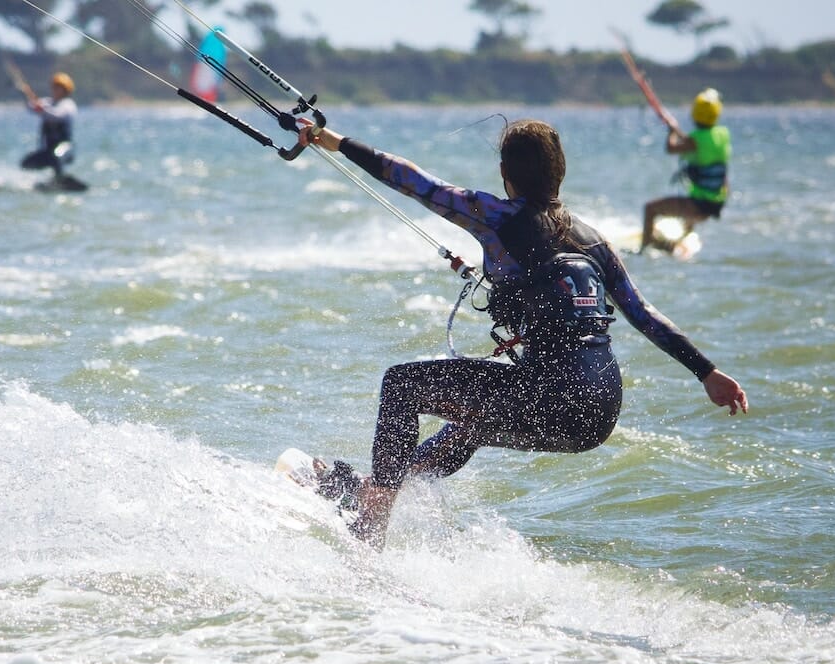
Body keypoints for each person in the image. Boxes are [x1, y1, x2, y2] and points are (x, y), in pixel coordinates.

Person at [297, 117, 748, 549]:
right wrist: (707, 373)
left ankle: (372, 516)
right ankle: (383, 487)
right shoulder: (594, 240)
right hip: (597, 414)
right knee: (469, 423)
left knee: (401, 386)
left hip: (546, 395)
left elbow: (412, 180)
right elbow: (643, 314)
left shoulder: (496, 215)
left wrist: (330, 139)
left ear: (504, 174)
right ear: (560, 174)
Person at [641, 88, 730, 252]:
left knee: (650, 209)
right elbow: (698, 143)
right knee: (688, 217)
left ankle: (643, 250)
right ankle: (671, 246)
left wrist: (671, 131)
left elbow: (671, 148)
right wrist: (676, 130)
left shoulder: (695, 139)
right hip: (717, 203)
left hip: (699, 205)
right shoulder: (723, 135)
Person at [18, 71, 82, 190]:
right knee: (26, 163)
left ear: (65, 90)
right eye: (55, 87)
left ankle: (60, 180)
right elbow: (32, 107)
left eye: (59, 88)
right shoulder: (47, 102)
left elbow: (56, 115)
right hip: (48, 150)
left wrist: (41, 109)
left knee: (57, 156)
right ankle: (37, 183)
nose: (56, 90)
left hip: (66, 147)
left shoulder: (68, 105)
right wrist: (25, 94)